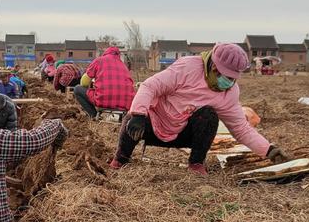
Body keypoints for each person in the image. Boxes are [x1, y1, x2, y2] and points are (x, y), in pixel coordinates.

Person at [110, 43, 288, 173]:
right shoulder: (188, 67)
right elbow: (150, 86)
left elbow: (241, 128)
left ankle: (196, 163)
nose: (228, 81)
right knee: (131, 119)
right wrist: (139, 115)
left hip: (182, 133)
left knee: (209, 115)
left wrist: (268, 149)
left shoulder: (229, 92)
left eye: (233, 78)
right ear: (212, 66)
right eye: (224, 76)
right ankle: (121, 159)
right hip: (153, 126)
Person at [72, 45, 135, 119]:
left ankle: (94, 116)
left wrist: (92, 85)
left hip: (103, 101)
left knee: (77, 89)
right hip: (126, 104)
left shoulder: (99, 60)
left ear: (106, 53)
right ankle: (121, 118)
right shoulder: (124, 66)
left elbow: (84, 82)